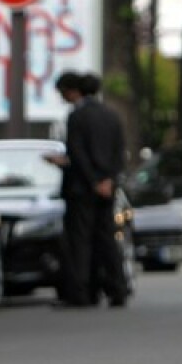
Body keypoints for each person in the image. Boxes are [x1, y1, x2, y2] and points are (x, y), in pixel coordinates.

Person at [50, 71, 130, 308]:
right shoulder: (112, 115)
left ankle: (81, 293)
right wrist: (109, 180)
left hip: (82, 189)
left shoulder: (77, 116)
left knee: (80, 242)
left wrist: (93, 181)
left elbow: (78, 153)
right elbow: (119, 152)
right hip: (108, 186)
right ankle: (118, 289)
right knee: (107, 239)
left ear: (73, 91)